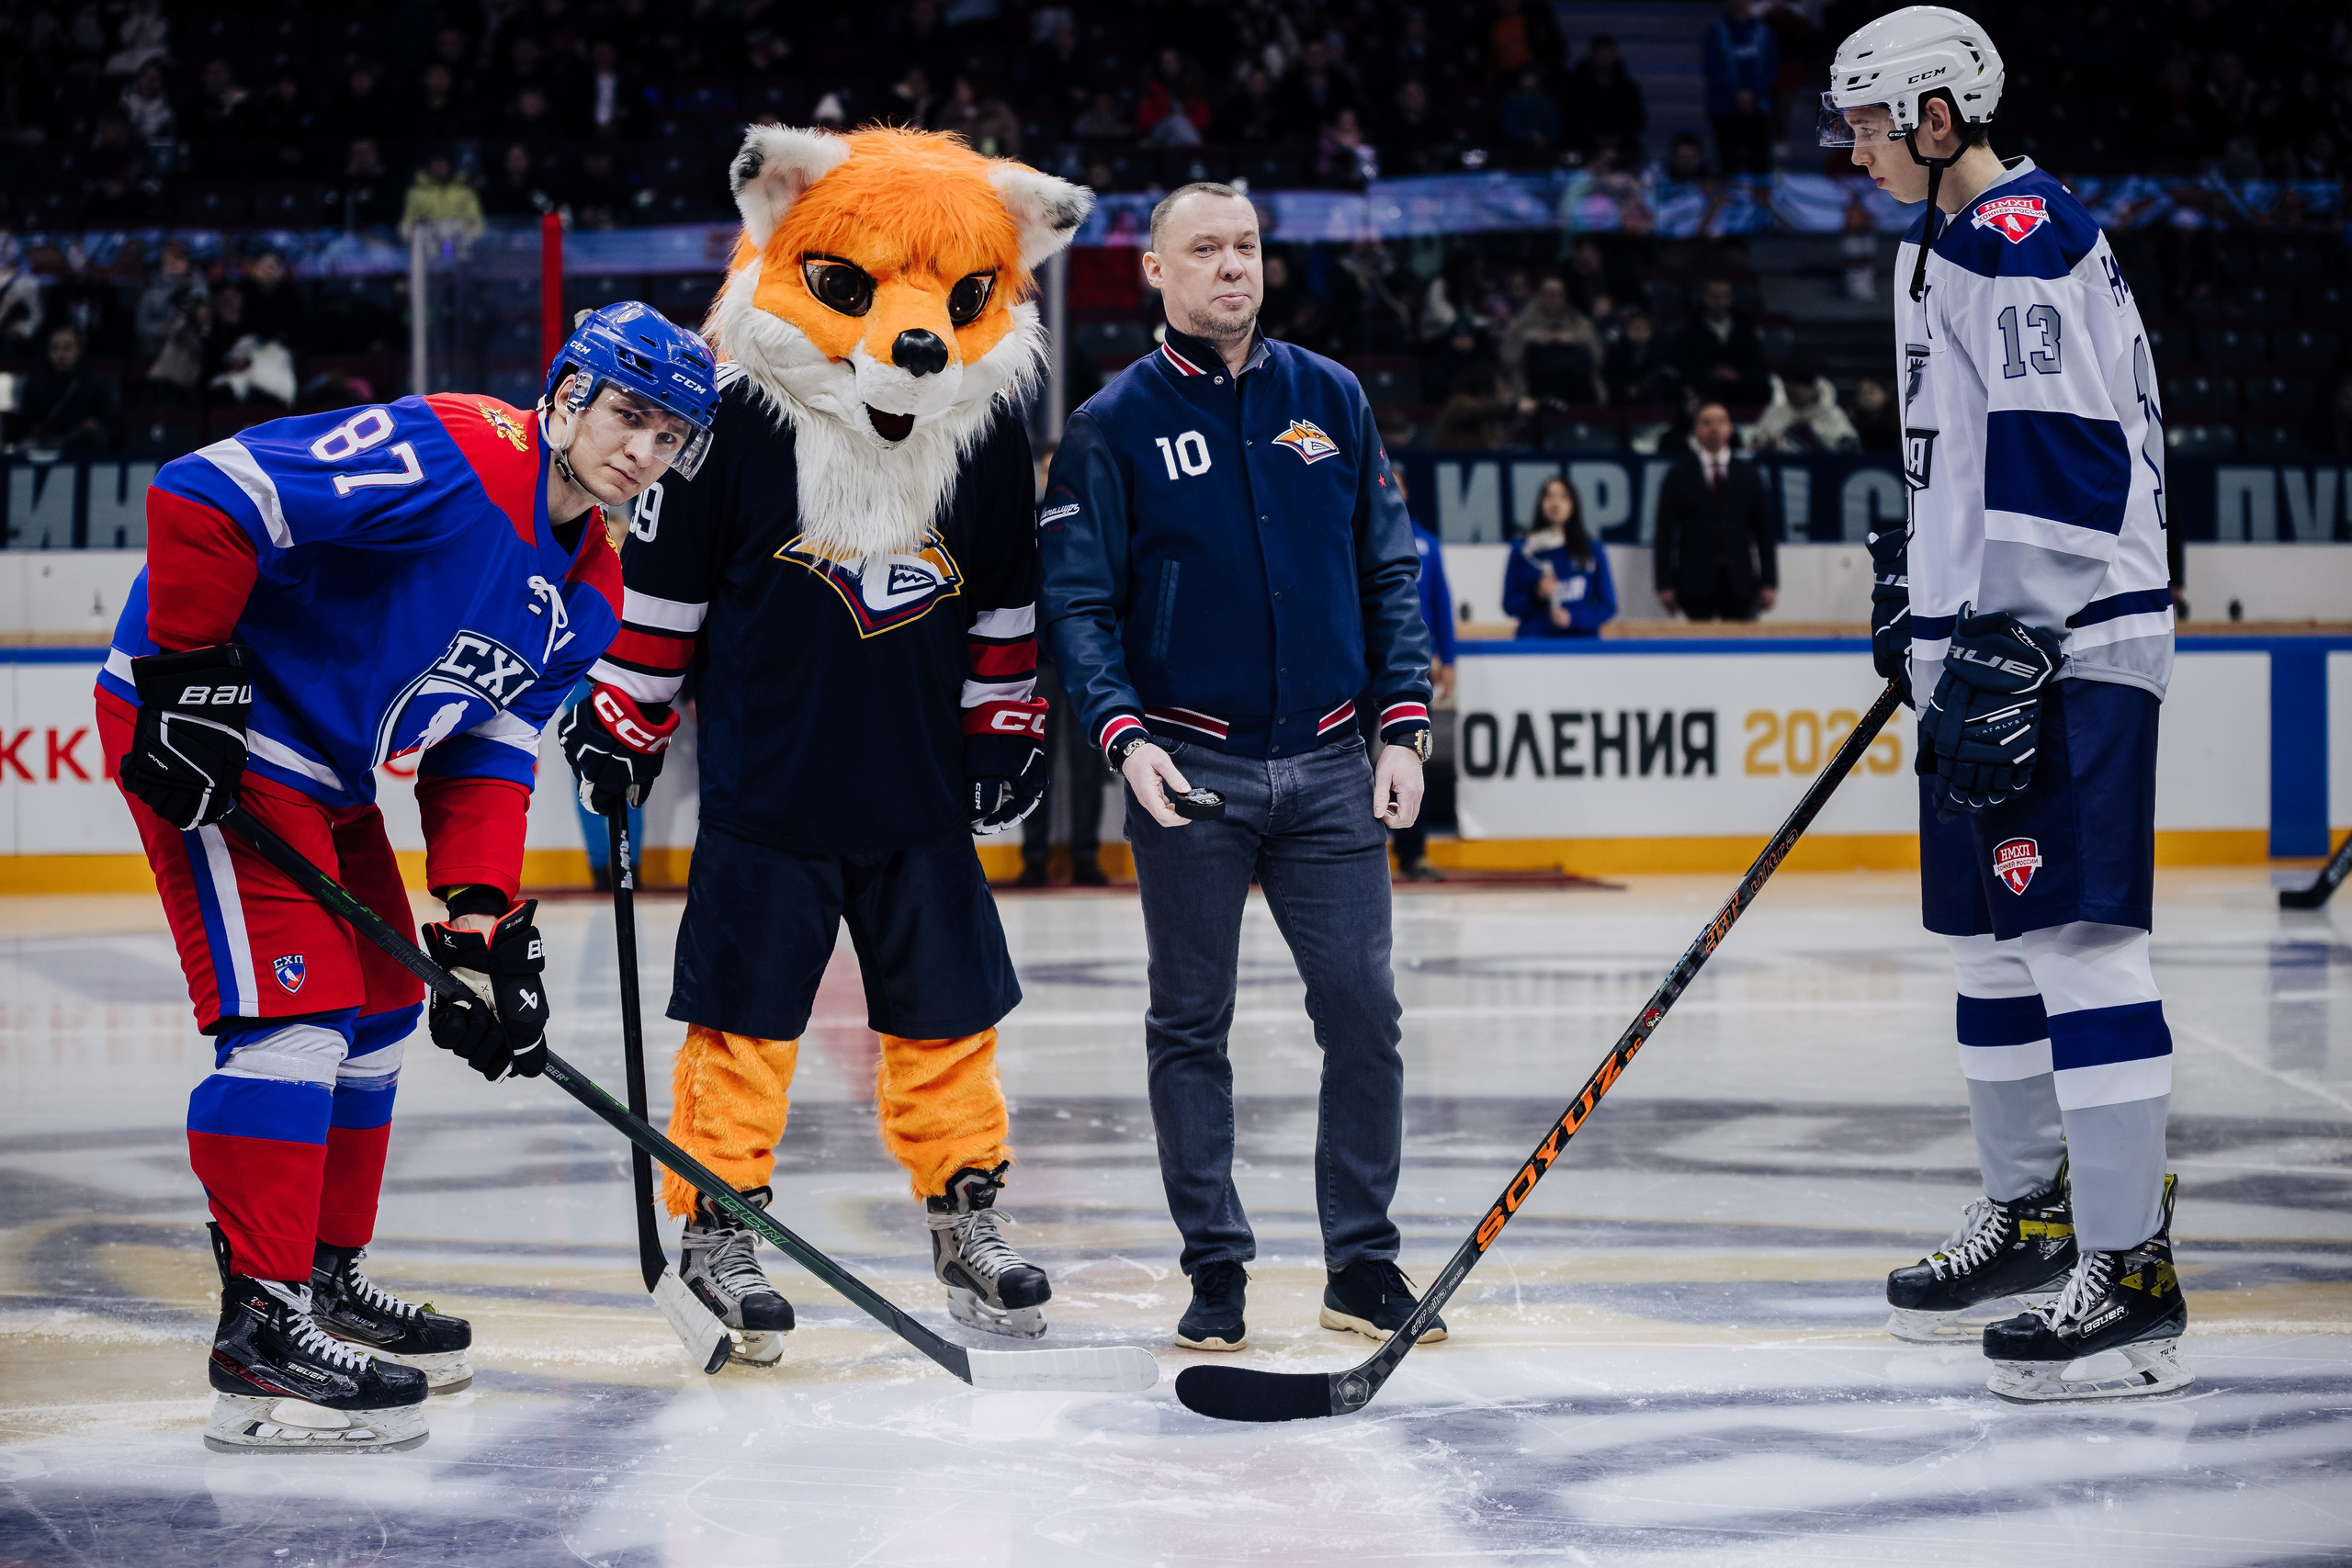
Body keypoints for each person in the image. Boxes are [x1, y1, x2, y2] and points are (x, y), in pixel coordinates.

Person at [96, 302, 718, 1452]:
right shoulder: (457, 449)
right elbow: (210, 489)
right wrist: (185, 667)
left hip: (324, 766)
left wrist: (478, 922)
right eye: (628, 414)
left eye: (669, 435)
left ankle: (322, 1281)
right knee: (294, 1020)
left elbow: (485, 752)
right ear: (567, 396)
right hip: (217, 733)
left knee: (382, 1007)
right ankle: (259, 1335)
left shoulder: (590, 592)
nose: (642, 450)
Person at [567, 126, 1089, 1355]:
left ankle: (965, 1209)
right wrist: (626, 712)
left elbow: (1004, 595)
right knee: (743, 1016)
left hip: (919, 783)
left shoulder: (982, 424)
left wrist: (1005, 719)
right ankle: (716, 1220)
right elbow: (669, 590)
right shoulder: (732, 416)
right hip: (771, 782)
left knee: (948, 1013)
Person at [1825, 6, 2186, 1403]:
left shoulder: (2023, 237)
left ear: (1938, 114)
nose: (1855, 148)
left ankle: (2130, 1268)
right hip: (1986, 640)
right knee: (1988, 945)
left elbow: (2070, 455)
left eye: (1869, 123)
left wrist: (2011, 633)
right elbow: (1963, 454)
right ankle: (2031, 1217)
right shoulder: (1938, 243)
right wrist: (1922, 593)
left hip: (2066, 644)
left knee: (2081, 944)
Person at [1038, 182, 1442, 1355]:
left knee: (1363, 1014)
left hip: (1330, 764)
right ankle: (1215, 1269)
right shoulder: (1111, 423)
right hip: (1189, 769)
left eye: (1247, 246)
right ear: (1154, 271)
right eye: (1205, 248)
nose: (1232, 266)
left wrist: (1403, 723)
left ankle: (1360, 1265)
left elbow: (1387, 570)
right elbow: (1077, 605)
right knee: (1189, 1024)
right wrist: (1124, 738)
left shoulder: (1331, 397)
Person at [1653, 401, 1777, 621]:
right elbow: (1664, 534)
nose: (1714, 428)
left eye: (1720, 422)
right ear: (1695, 431)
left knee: (1741, 641)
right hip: (1694, 582)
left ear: (1730, 429)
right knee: (1698, 642)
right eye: (1706, 422)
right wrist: (1664, 583)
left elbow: (1764, 532)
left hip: (1741, 581)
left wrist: (1769, 581)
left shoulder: (1748, 474)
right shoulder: (1678, 475)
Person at [1503, 475, 1616, 638]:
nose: (1555, 503)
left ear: (1573, 504)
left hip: (1580, 644)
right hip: (1535, 643)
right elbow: (1509, 605)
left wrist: (1574, 618)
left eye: (1563, 497)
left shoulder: (1592, 549)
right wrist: (1536, 595)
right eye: (1549, 496)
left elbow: (1607, 606)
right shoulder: (1524, 550)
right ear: (1540, 503)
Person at [13, 325, 119, 453]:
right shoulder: (34, 384)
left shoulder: (97, 384)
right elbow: (27, 422)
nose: (60, 355)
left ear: (79, 351)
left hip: (81, 444)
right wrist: (38, 430)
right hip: (44, 444)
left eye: (67, 348)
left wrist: (92, 427)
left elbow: (109, 424)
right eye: (55, 349)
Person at [1703, 0, 1780, 175]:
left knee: (1759, 163)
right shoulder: (1716, 32)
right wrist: (1735, 93)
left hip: (1757, 108)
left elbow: (1772, 66)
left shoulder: (1764, 32)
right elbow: (1711, 67)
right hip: (1724, 108)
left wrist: (1754, 94)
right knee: (1729, 163)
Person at [1670, 277, 1770, 407]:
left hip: (1740, 385)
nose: (1719, 301)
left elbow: (1757, 363)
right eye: (1714, 296)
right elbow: (1684, 365)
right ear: (1705, 297)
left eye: (1724, 296)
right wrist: (1710, 374)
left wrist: (1737, 375)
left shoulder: (1745, 327)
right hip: (1704, 386)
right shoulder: (1690, 328)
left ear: (1731, 298)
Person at [1755, 366, 1860, 453]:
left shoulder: (1831, 413)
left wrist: (1813, 429)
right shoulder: (1775, 412)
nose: (1793, 395)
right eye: (1789, 392)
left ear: (1812, 388)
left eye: (1797, 390)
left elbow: (1849, 444)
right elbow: (1758, 439)